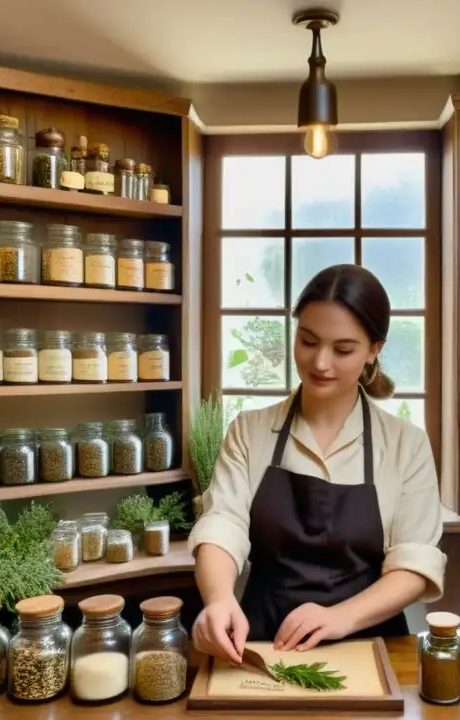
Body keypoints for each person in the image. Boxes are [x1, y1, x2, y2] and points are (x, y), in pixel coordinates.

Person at [188, 264, 446, 665]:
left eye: (343, 350)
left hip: (369, 642)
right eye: (308, 341)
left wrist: (339, 618)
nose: (320, 363)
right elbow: (223, 526)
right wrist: (220, 600)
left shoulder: (405, 444)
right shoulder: (250, 431)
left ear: (374, 349)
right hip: (261, 642)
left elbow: (414, 564)